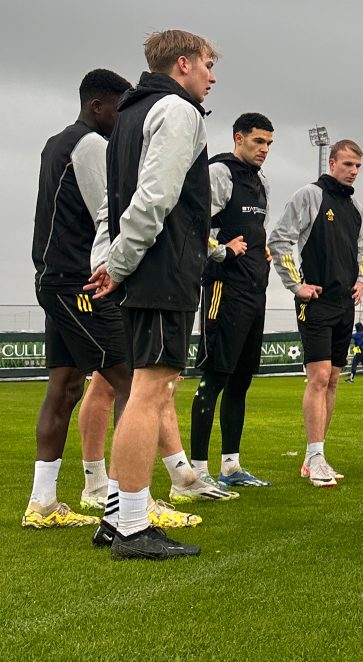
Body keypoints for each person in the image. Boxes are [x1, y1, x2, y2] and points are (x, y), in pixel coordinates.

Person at [86, 30, 221, 559]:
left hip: (140, 268)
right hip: (161, 271)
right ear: (183, 63)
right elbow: (155, 198)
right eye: (208, 64)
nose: (212, 76)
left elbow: (110, 206)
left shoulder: (127, 115)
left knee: (147, 390)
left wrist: (108, 260)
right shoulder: (178, 111)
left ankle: (118, 514)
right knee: (149, 391)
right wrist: (117, 265)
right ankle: (133, 529)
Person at [24, 69, 134, 530]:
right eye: (119, 109)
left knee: (67, 386)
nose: (123, 120)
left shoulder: (57, 141)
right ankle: (130, 504)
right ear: (97, 106)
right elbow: (106, 213)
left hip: (55, 280)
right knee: (131, 382)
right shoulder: (91, 145)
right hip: (78, 282)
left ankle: (42, 503)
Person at [268, 139, 363, 487]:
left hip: (344, 303)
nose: (353, 171)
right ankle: (313, 457)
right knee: (319, 377)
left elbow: (362, 247)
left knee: (334, 379)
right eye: (347, 164)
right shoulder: (310, 195)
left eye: (357, 166)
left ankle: (317, 455)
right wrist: (296, 286)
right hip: (316, 301)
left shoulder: (355, 206)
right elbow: (279, 240)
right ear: (331, 162)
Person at [190, 112, 275, 488]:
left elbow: (254, 229)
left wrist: (264, 250)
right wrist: (221, 250)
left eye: (269, 144)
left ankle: (230, 466)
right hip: (223, 290)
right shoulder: (218, 173)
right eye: (258, 141)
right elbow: (192, 225)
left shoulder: (261, 183)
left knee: (241, 380)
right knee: (215, 377)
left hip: (254, 292)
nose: (264, 150)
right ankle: (197, 470)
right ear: (238, 137)